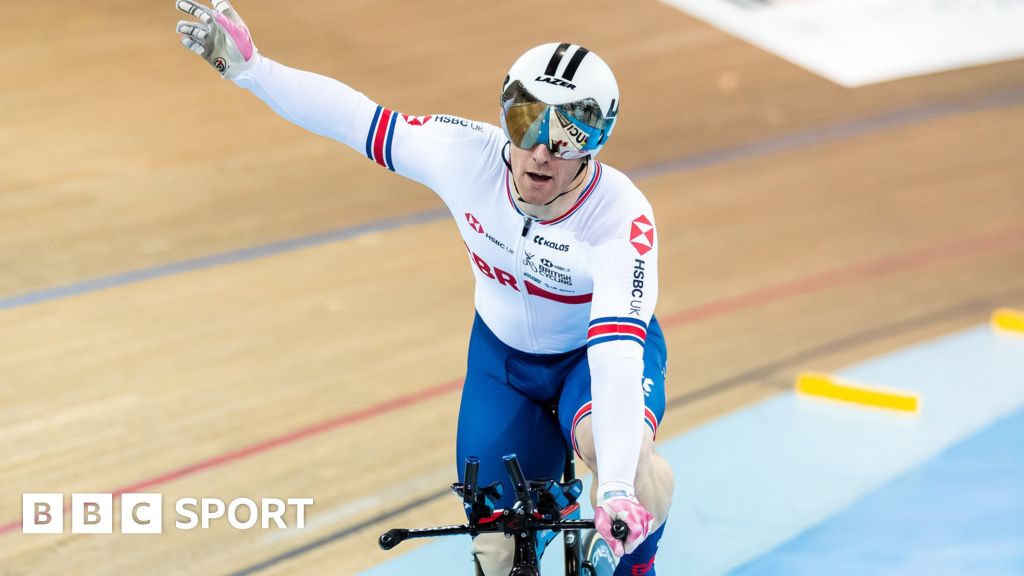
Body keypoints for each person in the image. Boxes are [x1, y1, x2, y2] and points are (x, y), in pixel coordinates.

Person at [175, 2, 674, 574]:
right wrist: (252, 70)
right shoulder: (464, 155)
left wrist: (612, 488)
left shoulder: (619, 219)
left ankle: (639, 567)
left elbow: (614, 355)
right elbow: (356, 120)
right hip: (502, 362)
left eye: (567, 138)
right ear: (505, 114)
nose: (541, 152)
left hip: (588, 357)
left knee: (633, 473)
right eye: (527, 124)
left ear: (597, 140)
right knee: (495, 547)